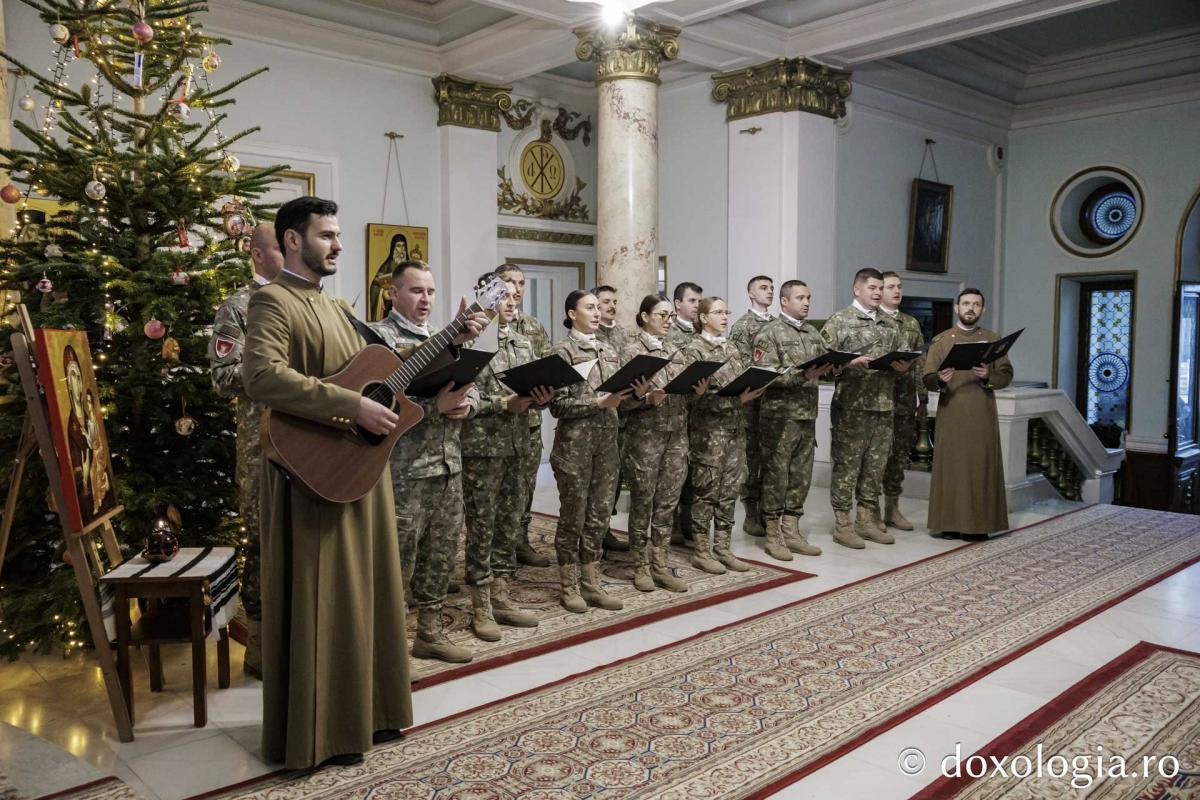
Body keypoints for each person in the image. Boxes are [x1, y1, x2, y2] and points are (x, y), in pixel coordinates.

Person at [246, 197, 433, 768]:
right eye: (327, 235)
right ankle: (320, 733)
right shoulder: (273, 301)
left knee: (366, 594)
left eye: (338, 235)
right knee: (323, 597)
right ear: (293, 240)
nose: (339, 244)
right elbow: (261, 377)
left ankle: (369, 715)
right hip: (312, 473)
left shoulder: (337, 307)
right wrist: (351, 407)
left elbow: (373, 375)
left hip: (358, 469)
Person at [369, 260, 480, 664]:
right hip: (404, 471)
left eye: (431, 292)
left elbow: (471, 386)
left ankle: (430, 634)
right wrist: (436, 407)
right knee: (397, 562)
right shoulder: (378, 340)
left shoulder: (441, 339)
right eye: (416, 291)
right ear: (393, 293)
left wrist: (467, 404)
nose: (426, 299)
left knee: (441, 554)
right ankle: (390, 653)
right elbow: (379, 402)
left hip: (448, 466)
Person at [207, 221, 283, 679]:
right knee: (261, 543)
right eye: (281, 247)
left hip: (309, 444)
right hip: (261, 446)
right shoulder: (238, 306)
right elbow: (223, 377)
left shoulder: (301, 302)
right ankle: (259, 642)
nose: (291, 254)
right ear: (256, 254)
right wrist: (278, 375)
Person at [460, 272, 552, 640]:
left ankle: (501, 595)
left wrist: (542, 397)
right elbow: (462, 401)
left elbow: (528, 393)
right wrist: (503, 403)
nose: (512, 302)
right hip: (482, 450)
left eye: (515, 296)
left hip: (518, 445)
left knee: (510, 523)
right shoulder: (469, 343)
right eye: (504, 296)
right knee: (482, 527)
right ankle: (481, 605)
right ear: (485, 298)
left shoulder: (522, 342)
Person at [549, 290, 651, 612]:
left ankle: (591, 583)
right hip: (575, 447)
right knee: (573, 517)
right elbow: (557, 405)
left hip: (607, 446)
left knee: (599, 516)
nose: (596, 313)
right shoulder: (561, 352)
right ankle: (569, 586)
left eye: (598, 307)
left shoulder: (608, 349)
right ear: (572, 313)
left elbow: (619, 402)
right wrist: (597, 402)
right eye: (589, 307)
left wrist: (638, 395)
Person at [820, 268, 911, 549]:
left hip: (884, 406)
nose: (877, 292)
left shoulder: (890, 323)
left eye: (880, 288)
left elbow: (904, 356)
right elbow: (822, 366)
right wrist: (848, 364)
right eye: (872, 287)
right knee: (847, 467)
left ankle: (866, 519)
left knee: (875, 466)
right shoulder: (840, 321)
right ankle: (843, 523)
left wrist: (904, 366)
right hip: (852, 408)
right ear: (857, 289)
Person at [619, 295, 699, 593]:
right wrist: (641, 398)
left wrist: (696, 388)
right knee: (643, 501)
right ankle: (640, 564)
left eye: (670, 316)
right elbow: (619, 403)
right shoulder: (630, 350)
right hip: (645, 437)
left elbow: (683, 391)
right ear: (644, 317)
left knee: (667, 503)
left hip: (676, 435)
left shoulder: (677, 349)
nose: (668, 321)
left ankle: (660, 563)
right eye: (662, 315)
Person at [679, 297, 765, 574]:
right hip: (708, 433)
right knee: (706, 491)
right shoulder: (693, 350)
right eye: (718, 312)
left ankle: (723, 548)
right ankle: (702, 550)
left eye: (726, 311)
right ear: (704, 318)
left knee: (730, 490)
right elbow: (692, 399)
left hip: (735, 430)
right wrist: (738, 400)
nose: (725, 316)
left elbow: (739, 382)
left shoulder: (732, 348)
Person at [922, 288, 1013, 538]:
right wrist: (939, 379)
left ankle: (978, 526)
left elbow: (1006, 375)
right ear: (956, 308)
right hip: (951, 410)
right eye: (965, 303)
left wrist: (988, 375)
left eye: (976, 304)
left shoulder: (993, 339)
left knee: (979, 467)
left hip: (981, 411)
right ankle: (948, 524)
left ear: (983, 309)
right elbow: (927, 378)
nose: (970, 308)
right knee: (950, 466)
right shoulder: (941, 340)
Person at [752, 280, 831, 561]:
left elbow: (824, 365)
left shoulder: (813, 333)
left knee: (801, 475)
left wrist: (836, 366)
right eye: (800, 298)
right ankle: (773, 533)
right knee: (776, 476)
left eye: (808, 297)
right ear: (784, 301)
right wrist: (802, 375)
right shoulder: (769, 333)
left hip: (807, 415)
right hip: (779, 418)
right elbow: (764, 374)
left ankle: (792, 529)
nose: (806, 302)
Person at [495, 264, 553, 569]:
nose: (516, 289)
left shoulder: (532, 326)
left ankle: (520, 540)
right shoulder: (486, 324)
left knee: (525, 486)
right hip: (494, 423)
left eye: (520, 283)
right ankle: (495, 549)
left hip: (528, 421)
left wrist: (546, 392)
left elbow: (547, 364)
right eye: (510, 282)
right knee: (495, 492)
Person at [878, 271, 927, 532]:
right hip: (877, 400)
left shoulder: (910, 323)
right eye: (890, 287)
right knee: (875, 459)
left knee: (898, 457)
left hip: (905, 401)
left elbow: (920, 362)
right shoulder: (872, 321)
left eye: (899, 286)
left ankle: (892, 508)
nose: (897, 291)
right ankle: (870, 513)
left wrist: (923, 399)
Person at [728, 275, 775, 538]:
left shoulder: (777, 324)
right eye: (763, 288)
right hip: (752, 403)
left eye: (771, 288)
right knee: (752, 458)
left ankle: (770, 511)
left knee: (772, 459)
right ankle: (751, 513)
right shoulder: (742, 327)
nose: (769, 292)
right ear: (750, 293)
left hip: (775, 403)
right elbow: (740, 365)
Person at [593, 284, 632, 553]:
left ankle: (605, 528)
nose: (611, 306)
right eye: (605, 301)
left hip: (623, 416)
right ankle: (591, 534)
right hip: (596, 416)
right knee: (594, 483)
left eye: (614, 301)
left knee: (613, 479)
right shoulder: (590, 334)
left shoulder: (625, 335)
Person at [666, 281, 703, 542]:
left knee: (694, 469)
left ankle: (689, 518)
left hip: (699, 411)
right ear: (678, 304)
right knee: (675, 470)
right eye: (692, 301)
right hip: (676, 410)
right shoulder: (670, 333)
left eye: (700, 301)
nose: (697, 306)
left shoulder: (701, 333)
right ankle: (672, 522)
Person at [369, 232, 408, 321]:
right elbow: (374, 286)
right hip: (390, 308)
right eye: (398, 246)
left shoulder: (410, 266)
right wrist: (383, 293)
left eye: (403, 246)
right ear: (393, 248)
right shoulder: (387, 265)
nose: (401, 249)